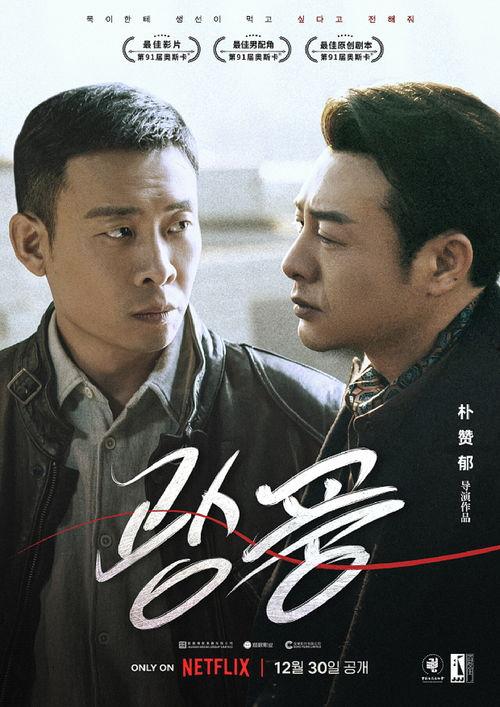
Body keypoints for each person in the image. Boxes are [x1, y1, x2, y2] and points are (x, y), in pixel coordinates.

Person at [0, 83, 343, 707]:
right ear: (32, 244)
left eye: (178, 226)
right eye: (120, 231)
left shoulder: (313, 425)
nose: (159, 266)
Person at [248, 82, 500, 705]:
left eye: (330, 238)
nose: (294, 262)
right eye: (301, 225)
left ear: (444, 263)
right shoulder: (380, 387)